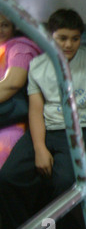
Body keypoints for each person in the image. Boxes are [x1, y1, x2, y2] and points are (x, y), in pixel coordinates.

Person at [0, 9, 86, 229]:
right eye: (62, 38)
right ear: (50, 38)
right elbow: (36, 110)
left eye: (75, 38)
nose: (69, 44)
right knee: (8, 177)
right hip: (47, 128)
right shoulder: (38, 66)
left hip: (83, 129)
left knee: (67, 181)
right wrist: (39, 147)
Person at [0, 14, 42, 168]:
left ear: (14, 26)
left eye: (5, 25)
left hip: (11, 123)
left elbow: (13, 83)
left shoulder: (20, 48)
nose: (0, 30)